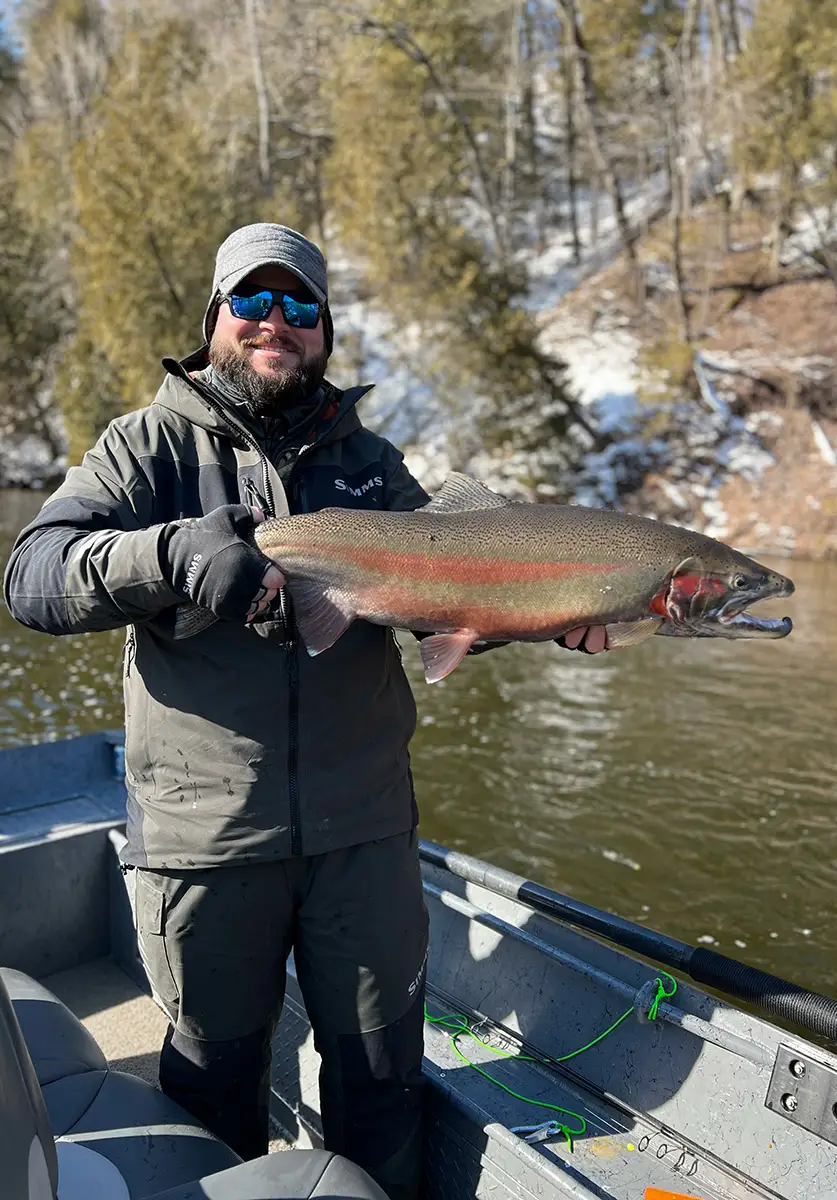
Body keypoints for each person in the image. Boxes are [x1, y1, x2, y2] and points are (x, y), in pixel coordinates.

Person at [2, 222, 608, 1200]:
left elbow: (451, 601)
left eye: (300, 307)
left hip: (363, 838)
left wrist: (545, 615)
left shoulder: (374, 465)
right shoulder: (144, 448)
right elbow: (33, 576)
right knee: (214, 1085)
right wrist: (165, 556)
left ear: (324, 331)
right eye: (254, 301)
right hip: (203, 843)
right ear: (214, 322)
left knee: (381, 1085)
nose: (275, 323)